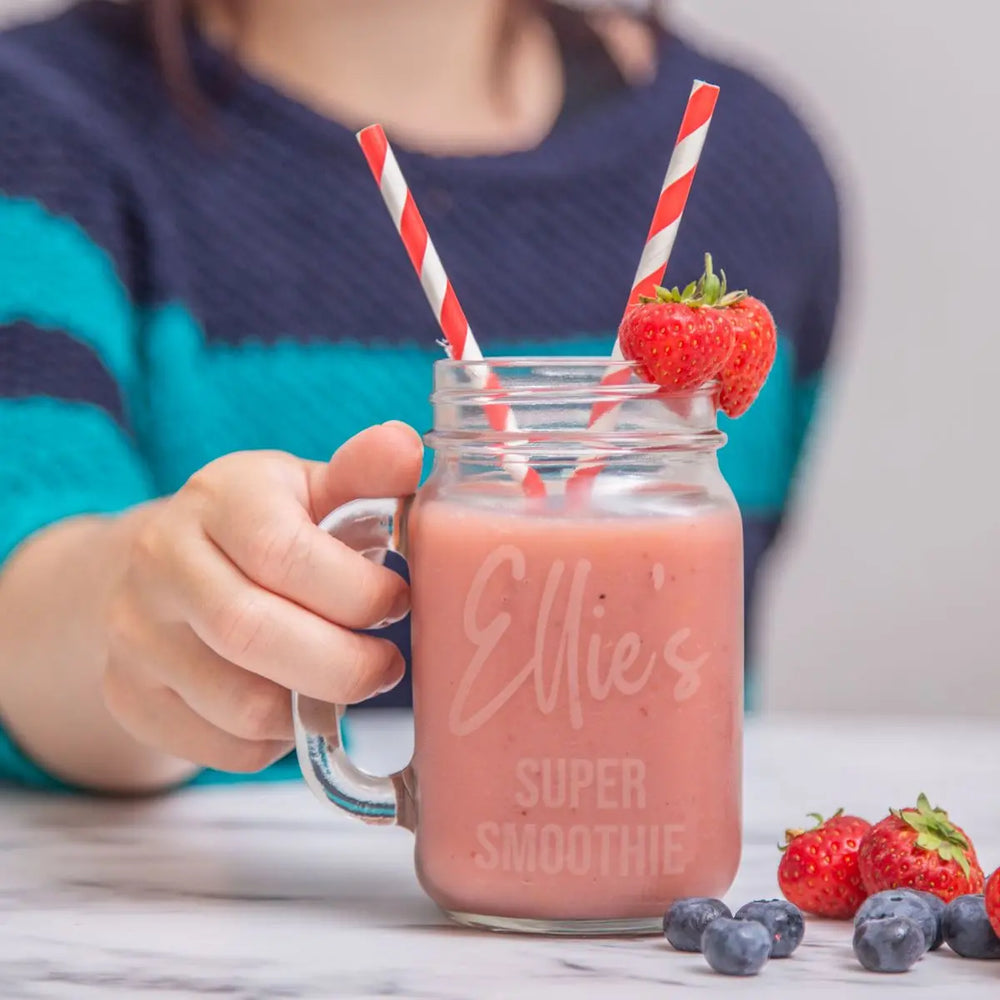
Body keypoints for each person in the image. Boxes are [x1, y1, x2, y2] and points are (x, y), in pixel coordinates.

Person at [0, 0, 841, 793]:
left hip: (647, 914)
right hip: (230, 912)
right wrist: (142, 616)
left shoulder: (754, 170)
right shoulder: (34, 130)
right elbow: (30, 590)